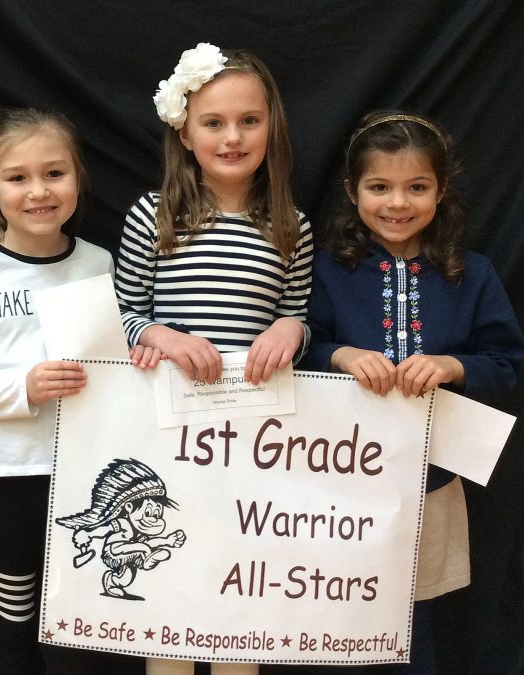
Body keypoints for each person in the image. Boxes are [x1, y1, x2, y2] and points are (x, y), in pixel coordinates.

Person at [302, 110, 524, 671]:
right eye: (380, 186)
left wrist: (451, 365)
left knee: (410, 621)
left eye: (416, 187)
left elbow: (507, 365)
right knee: (333, 610)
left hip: (432, 478)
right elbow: (298, 349)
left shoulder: (471, 275)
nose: (397, 203)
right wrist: (342, 354)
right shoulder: (326, 272)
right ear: (352, 190)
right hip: (336, 477)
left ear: (440, 190)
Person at [115, 43, 314, 675]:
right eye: (214, 122)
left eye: (249, 121)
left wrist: (291, 328)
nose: (233, 137)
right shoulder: (156, 214)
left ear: (271, 127)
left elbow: (300, 313)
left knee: (238, 597)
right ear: (185, 130)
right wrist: (163, 338)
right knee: (170, 599)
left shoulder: (292, 224)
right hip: (166, 437)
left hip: (252, 439)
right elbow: (122, 319)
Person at [0, 108, 124, 673]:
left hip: (89, 476)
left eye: (55, 173)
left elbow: (119, 367)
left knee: (83, 624)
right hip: (5, 476)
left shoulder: (99, 264)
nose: (38, 191)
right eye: (18, 178)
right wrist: (23, 389)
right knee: (13, 620)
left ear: (78, 178)